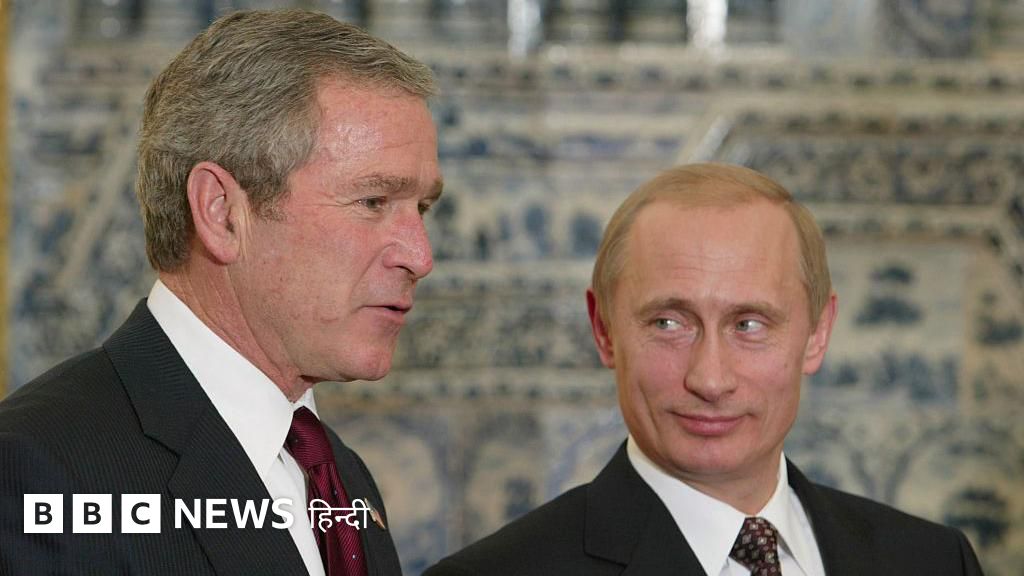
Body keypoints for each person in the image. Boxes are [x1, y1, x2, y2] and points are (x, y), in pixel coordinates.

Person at [0, 9, 442, 576]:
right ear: (221, 212)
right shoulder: (37, 472)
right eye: (373, 202)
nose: (420, 256)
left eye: (422, 207)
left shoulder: (340, 476)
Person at [424, 164, 983, 575]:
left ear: (817, 333)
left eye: (749, 324)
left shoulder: (934, 561)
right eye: (669, 323)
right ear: (604, 329)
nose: (710, 380)